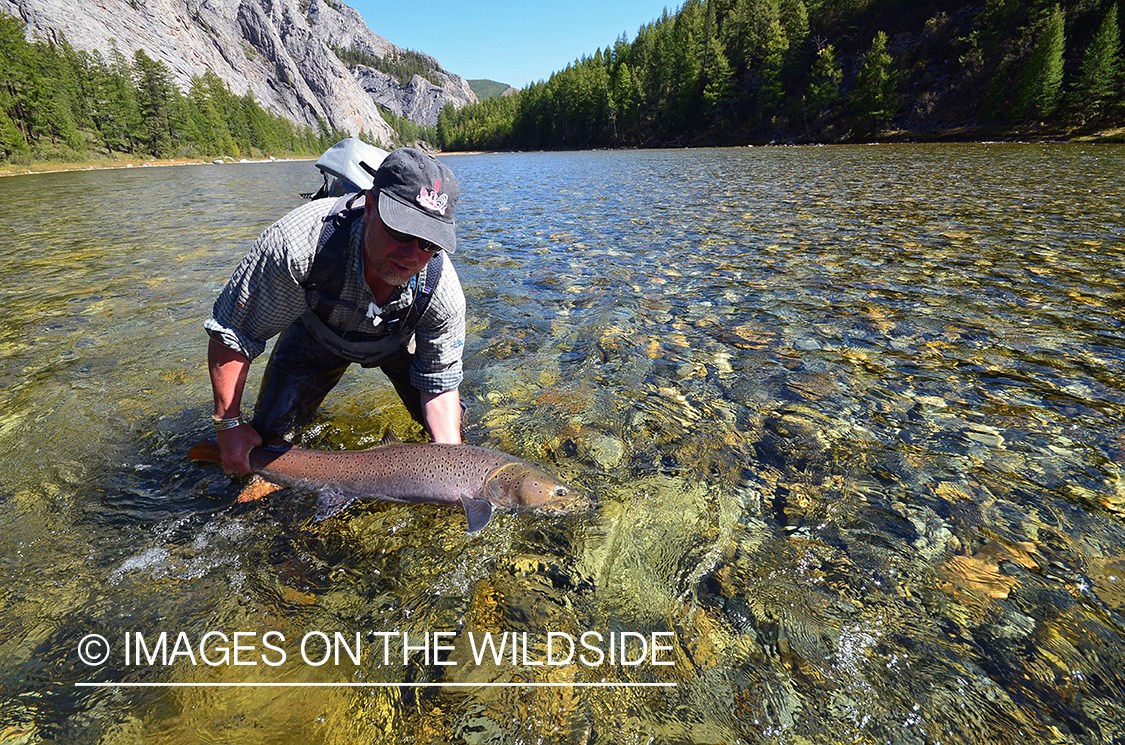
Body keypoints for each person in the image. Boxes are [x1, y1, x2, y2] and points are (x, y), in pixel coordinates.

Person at [205, 147, 466, 475]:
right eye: (402, 231)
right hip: (316, 334)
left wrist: (451, 472)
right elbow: (234, 332)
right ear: (370, 207)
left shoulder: (442, 293)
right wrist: (227, 425)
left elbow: (438, 380)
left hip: (399, 343)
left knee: (452, 443)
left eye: (429, 243)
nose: (412, 254)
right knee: (264, 449)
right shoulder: (298, 244)